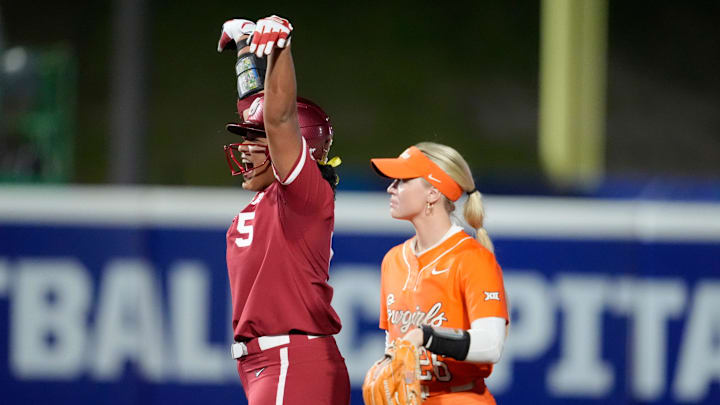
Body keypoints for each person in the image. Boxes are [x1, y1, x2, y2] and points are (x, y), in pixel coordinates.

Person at [216, 15, 349, 405]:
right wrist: (244, 48)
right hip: (271, 364)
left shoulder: (304, 194)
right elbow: (257, 110)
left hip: (292, 361)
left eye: (257, 140)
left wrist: (281, 47)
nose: (244, 146)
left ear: (292, 147)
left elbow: (278, 117)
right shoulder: (277, 194)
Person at [368, 142, 509, 405]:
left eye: (402, 180)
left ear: (433, 192)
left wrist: (426, 335)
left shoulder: (472, 259)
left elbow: (491, 345)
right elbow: (395, 345)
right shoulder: (393, 260)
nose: (391, 188)